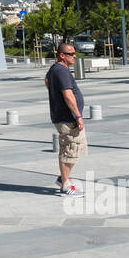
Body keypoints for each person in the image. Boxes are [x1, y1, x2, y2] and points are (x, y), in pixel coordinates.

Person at [46, 42, 87, 196]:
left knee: (71, 149)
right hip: (68, 118)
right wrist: (78, 116)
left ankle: (64, 178)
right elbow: (68, 96)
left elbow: (46, 82)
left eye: (74, 53)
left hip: (63, 116)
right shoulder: (61, 71)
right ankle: (65, 185)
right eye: (71, 54)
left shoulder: (54, 69)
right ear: (62, 55)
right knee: (70, 149)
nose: (74, 56)